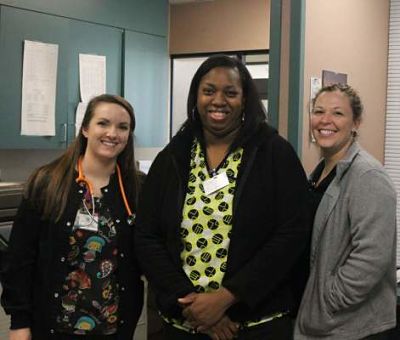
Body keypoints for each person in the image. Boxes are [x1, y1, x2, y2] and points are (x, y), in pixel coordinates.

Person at [135, 55, 310, 340]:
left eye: (230, 92)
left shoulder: (274, 153)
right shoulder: (173, 157)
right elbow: (146, 236)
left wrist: (228, 297)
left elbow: (292, 233)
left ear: (245, 100)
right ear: (196, 97)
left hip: (255, 326)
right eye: (209, 91)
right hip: (184, 324)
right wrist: (193, 304)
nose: (219, 100)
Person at [1, 94, 144, 340]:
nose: (113, 133)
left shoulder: (138, 188)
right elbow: (20, 259)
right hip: (55, 326)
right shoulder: (48, 182)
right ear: (85, 128)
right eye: (103, 123)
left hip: (114, 328)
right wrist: (19, 322)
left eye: (123, 127)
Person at [294, 84, 397, 340]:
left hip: (353, 327)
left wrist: (328, 299)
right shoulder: (318, 173)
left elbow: (372, 255)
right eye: (318, 111)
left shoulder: (367, 176)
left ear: (356, 123)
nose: (325, 120)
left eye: (338, 113)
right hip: (321, 323)